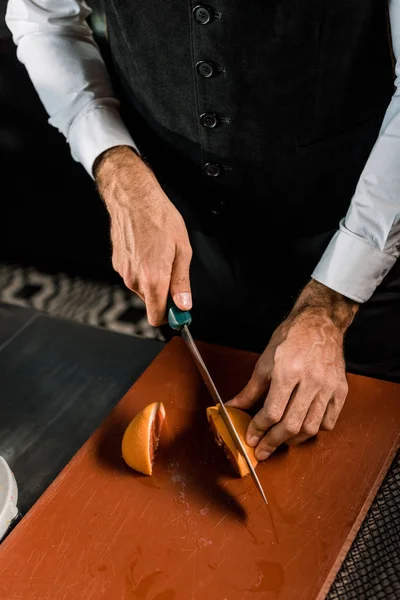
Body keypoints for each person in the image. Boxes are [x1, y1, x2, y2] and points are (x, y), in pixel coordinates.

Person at [6, 0, 400, 462]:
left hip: (360, 246)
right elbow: (43, 18)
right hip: (188, 242)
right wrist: (115, 166)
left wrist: (332, 306)